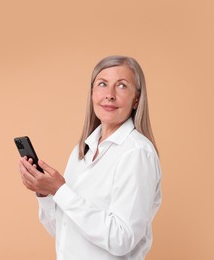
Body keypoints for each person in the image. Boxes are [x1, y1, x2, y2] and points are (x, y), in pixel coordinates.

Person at [18, 55, 162, 260]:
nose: (109, 95)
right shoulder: (82, 151)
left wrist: (60, 190)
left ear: (136, 98)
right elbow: (64, 232)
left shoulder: (136, 152)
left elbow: (122, 239)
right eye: (102, 84)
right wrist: (45, 193)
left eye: (121, 86)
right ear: (92, 92)